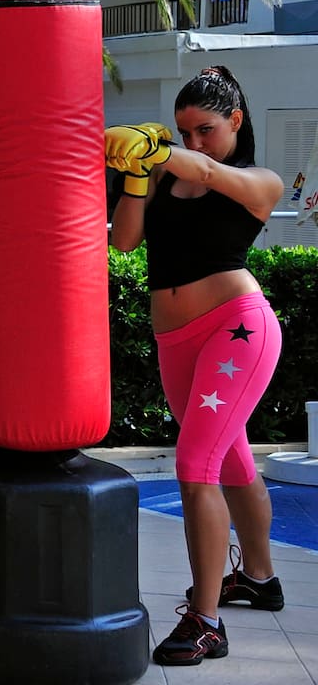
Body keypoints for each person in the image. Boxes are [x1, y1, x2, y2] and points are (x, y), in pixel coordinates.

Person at [105, 66, 285, 667]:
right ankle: (258, 578)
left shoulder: (260, 181)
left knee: (195, 463)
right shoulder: (165, 173)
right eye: (184, 133)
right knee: (229, 456)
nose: (195, 143)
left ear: (236, 121)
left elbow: (206, 171)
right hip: (177, 340)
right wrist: (135, 173)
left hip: (237, 328)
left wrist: (157, 148)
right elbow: (125, 242)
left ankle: (206, 621)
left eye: (205, 130)